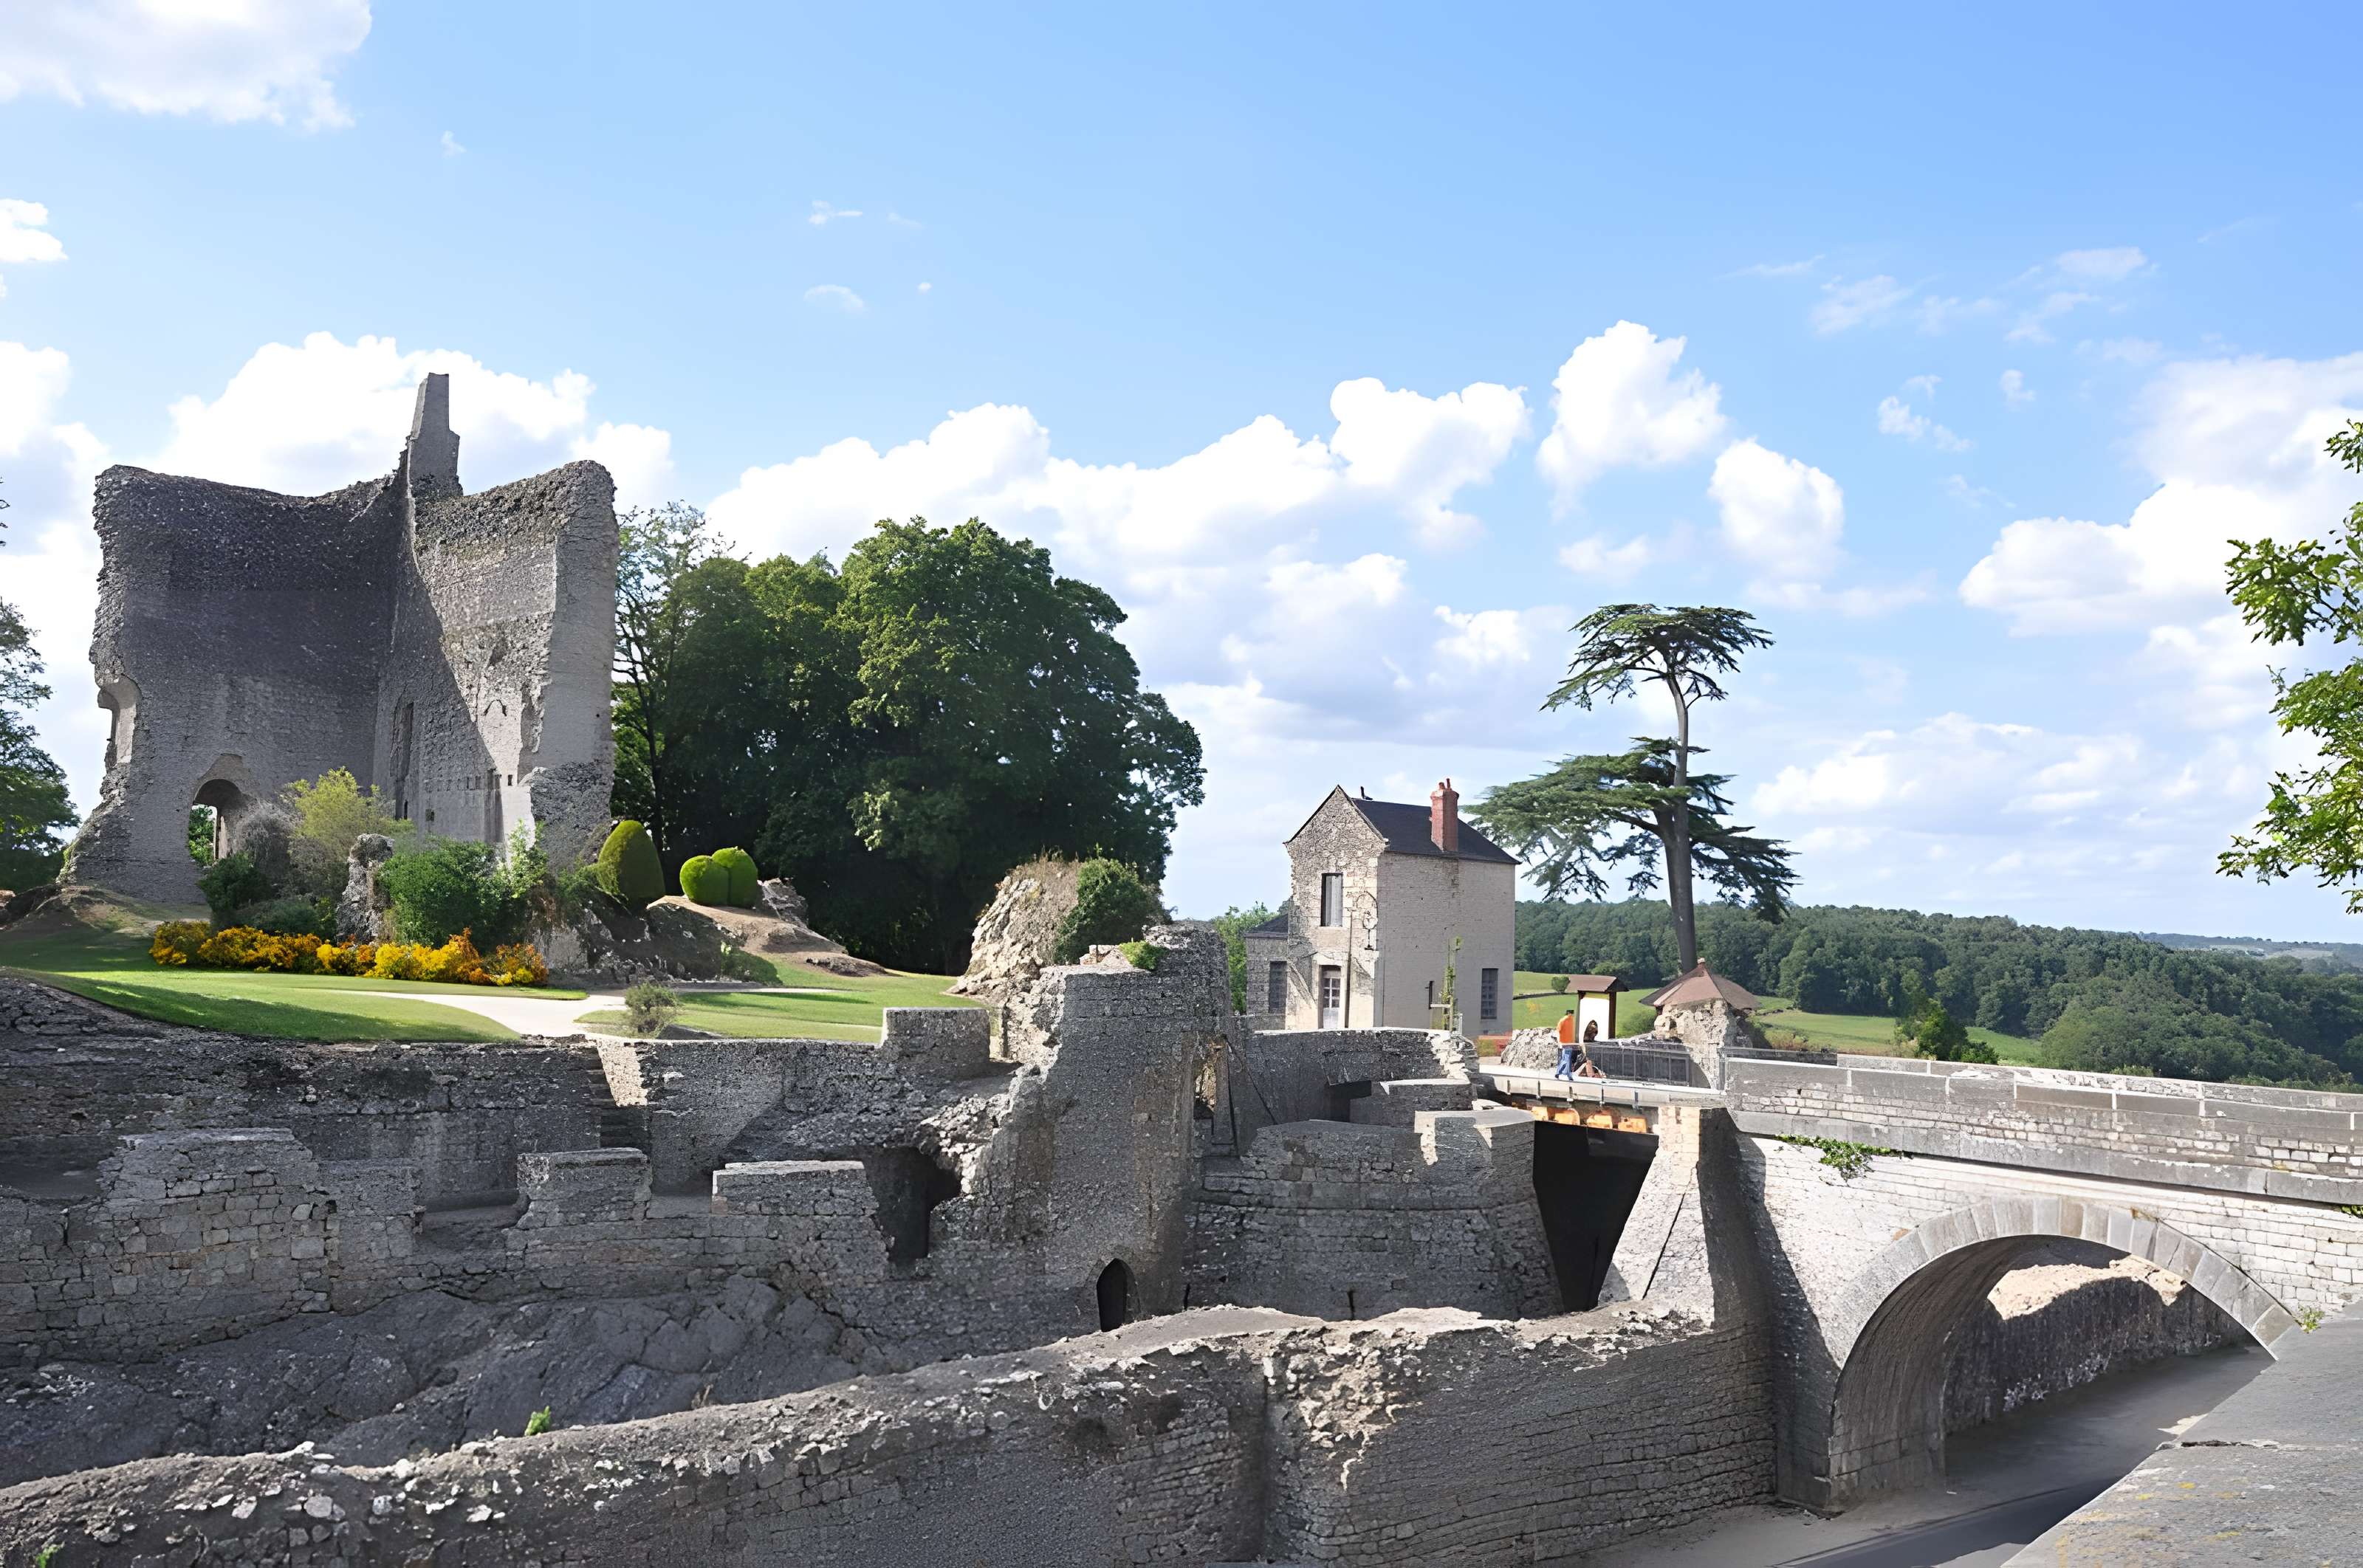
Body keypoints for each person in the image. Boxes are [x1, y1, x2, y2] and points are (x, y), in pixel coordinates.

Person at [1555, 1009, 1578, 1079]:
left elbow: (1558, 1032)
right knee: (1567, 1059)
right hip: (1571, 1043)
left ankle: (1560, 1073)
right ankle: (1567, 1075)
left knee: (1566, 1059)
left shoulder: (1562, 1020)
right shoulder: (1575, 1021)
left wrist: (1559, 1042)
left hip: (1565, 1043)